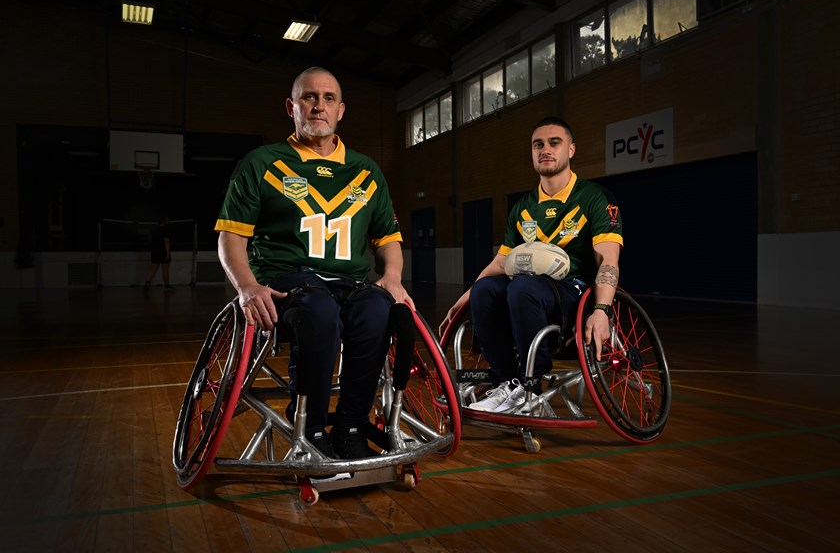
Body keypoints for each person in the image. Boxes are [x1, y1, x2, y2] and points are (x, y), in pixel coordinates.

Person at [215, 67, 413, 459]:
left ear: (341, 110)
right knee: (318, 310)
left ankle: (352, 425)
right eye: (309, 97)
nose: (319, 106)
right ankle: (312, 426)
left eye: (328, 98)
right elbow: (230, 237)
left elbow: (388, 239)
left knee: (377, 309)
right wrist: (247, 286)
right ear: (291, 107)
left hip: (350, 283)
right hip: (288, 281)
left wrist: (392, 276)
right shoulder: (262, 163)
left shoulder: (366, 171)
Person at [438, 116, 623, 413]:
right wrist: (466, 297)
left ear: (571, 150)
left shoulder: (594, 198)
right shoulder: (523, 208)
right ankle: (507, 382)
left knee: (522, 287)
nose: (545, 150)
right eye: (538, 145)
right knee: (486, 289)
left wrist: (602, 310)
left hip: (573, 296)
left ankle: (530, 385)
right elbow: (501, 262)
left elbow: (609, 260)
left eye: (554, 143)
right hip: (528, 292)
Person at [143, 216, 173, 291]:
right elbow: (167, 242)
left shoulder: (153, 230)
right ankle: (167, 287)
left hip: (155, 252)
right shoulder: (165, 230)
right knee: (165, 270)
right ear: (163, 221)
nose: (168, 222)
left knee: (153, 269)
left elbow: (150, 239)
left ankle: (147, 284)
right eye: (167, 220)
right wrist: (168, 253)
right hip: (163, 252)